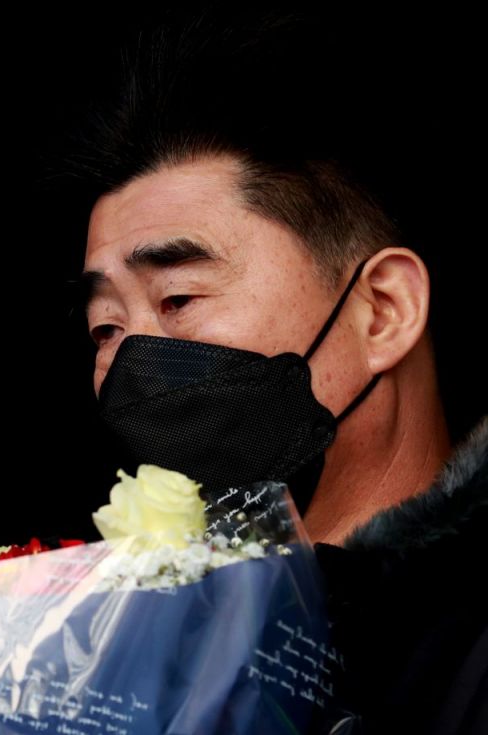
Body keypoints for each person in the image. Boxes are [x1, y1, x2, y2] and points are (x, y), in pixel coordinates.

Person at [72, 13, 487, 735]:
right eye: (105, 328)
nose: (132, 361)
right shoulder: (105, 655)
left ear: (383, 311)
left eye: (179, 298)